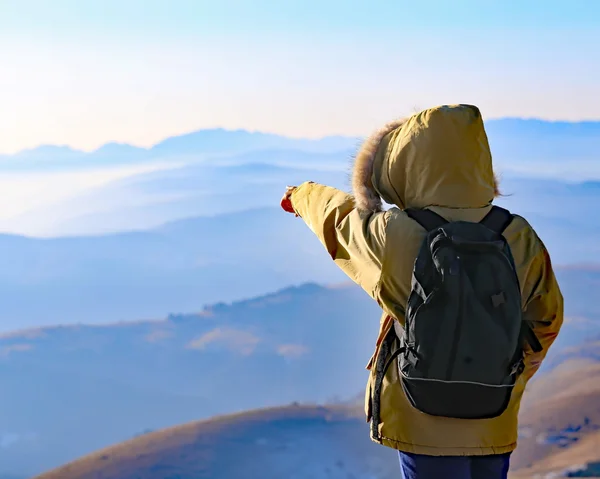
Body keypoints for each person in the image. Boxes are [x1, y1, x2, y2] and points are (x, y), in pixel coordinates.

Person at [280, 104, 563, 479]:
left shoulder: (395, 233)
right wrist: (508, 372)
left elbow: (340, 219)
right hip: (495, 413)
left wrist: (301, 195)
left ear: (405, 164)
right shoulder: (517, 233)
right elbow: (547, 319)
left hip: (420, 413)